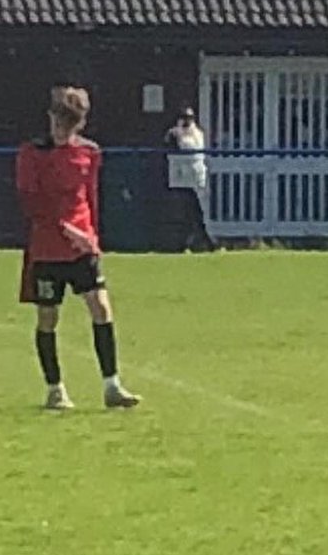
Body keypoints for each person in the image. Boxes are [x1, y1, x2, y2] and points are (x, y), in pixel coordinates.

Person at [16, 85, 140, 411]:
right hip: (47, 249)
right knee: (48, 317)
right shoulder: (31, 154)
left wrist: (93, 238)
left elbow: (91, 198)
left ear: (79, 125)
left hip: (82, 248)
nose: (60, 131)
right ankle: (55, 389)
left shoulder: (89, 153)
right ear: (49, 118)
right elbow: (31, 202)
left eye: (67, 126)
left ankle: (112, 386)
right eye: (57, 123)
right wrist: (64, 228)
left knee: (100, 307)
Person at [164, 106, 214, 252]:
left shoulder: (197, 134)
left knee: (198, 213)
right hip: (180, 180)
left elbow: (191, 148)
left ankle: (202, 242)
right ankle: (189, 243)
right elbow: (172, 143)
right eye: (184, 118)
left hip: (197, 180)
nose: (187, 122)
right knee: (184, 213)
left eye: (189, 118)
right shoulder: (174, 133)